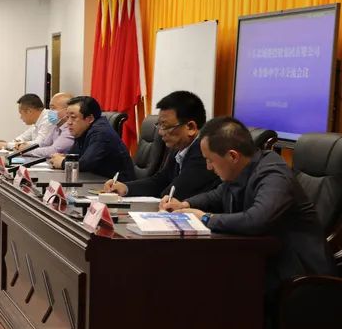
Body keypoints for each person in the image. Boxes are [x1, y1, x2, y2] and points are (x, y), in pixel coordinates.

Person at [165, 117, 335, 293]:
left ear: (232, 156)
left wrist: (206, 218)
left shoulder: (273, 174)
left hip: (299, 279)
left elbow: (256, 220)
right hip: (262, 261)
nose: (208, 167)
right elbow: (218, 195)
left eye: (210, 160)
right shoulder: (242, 169)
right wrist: (184, 204)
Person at [103, 91, 219, 201]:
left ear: (190, 127)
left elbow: (172, 194)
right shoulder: (179, 148)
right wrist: (125, 187)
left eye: (165, 126)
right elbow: (160, 181)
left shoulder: (203, 153)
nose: (160, 132)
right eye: (159, 125)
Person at [48, 95, 134, 180]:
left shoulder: (101, 133)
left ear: (89, 119)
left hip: (116, 184)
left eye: (73, 117)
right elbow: (75, 156)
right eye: (67, 117)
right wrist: (63, 158)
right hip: (95, 179)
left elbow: (85, 164)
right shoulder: (82, 130)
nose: (68, 122)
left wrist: (62, 162)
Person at [30, 92, 75, 158]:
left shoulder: (70, 128)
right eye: (50, 108)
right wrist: (26, 148)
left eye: (53, 108)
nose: (50, 111)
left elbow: (53, 151)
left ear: (67, 111)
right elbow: (44, 144)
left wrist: (27, 151)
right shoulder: (56, 126)